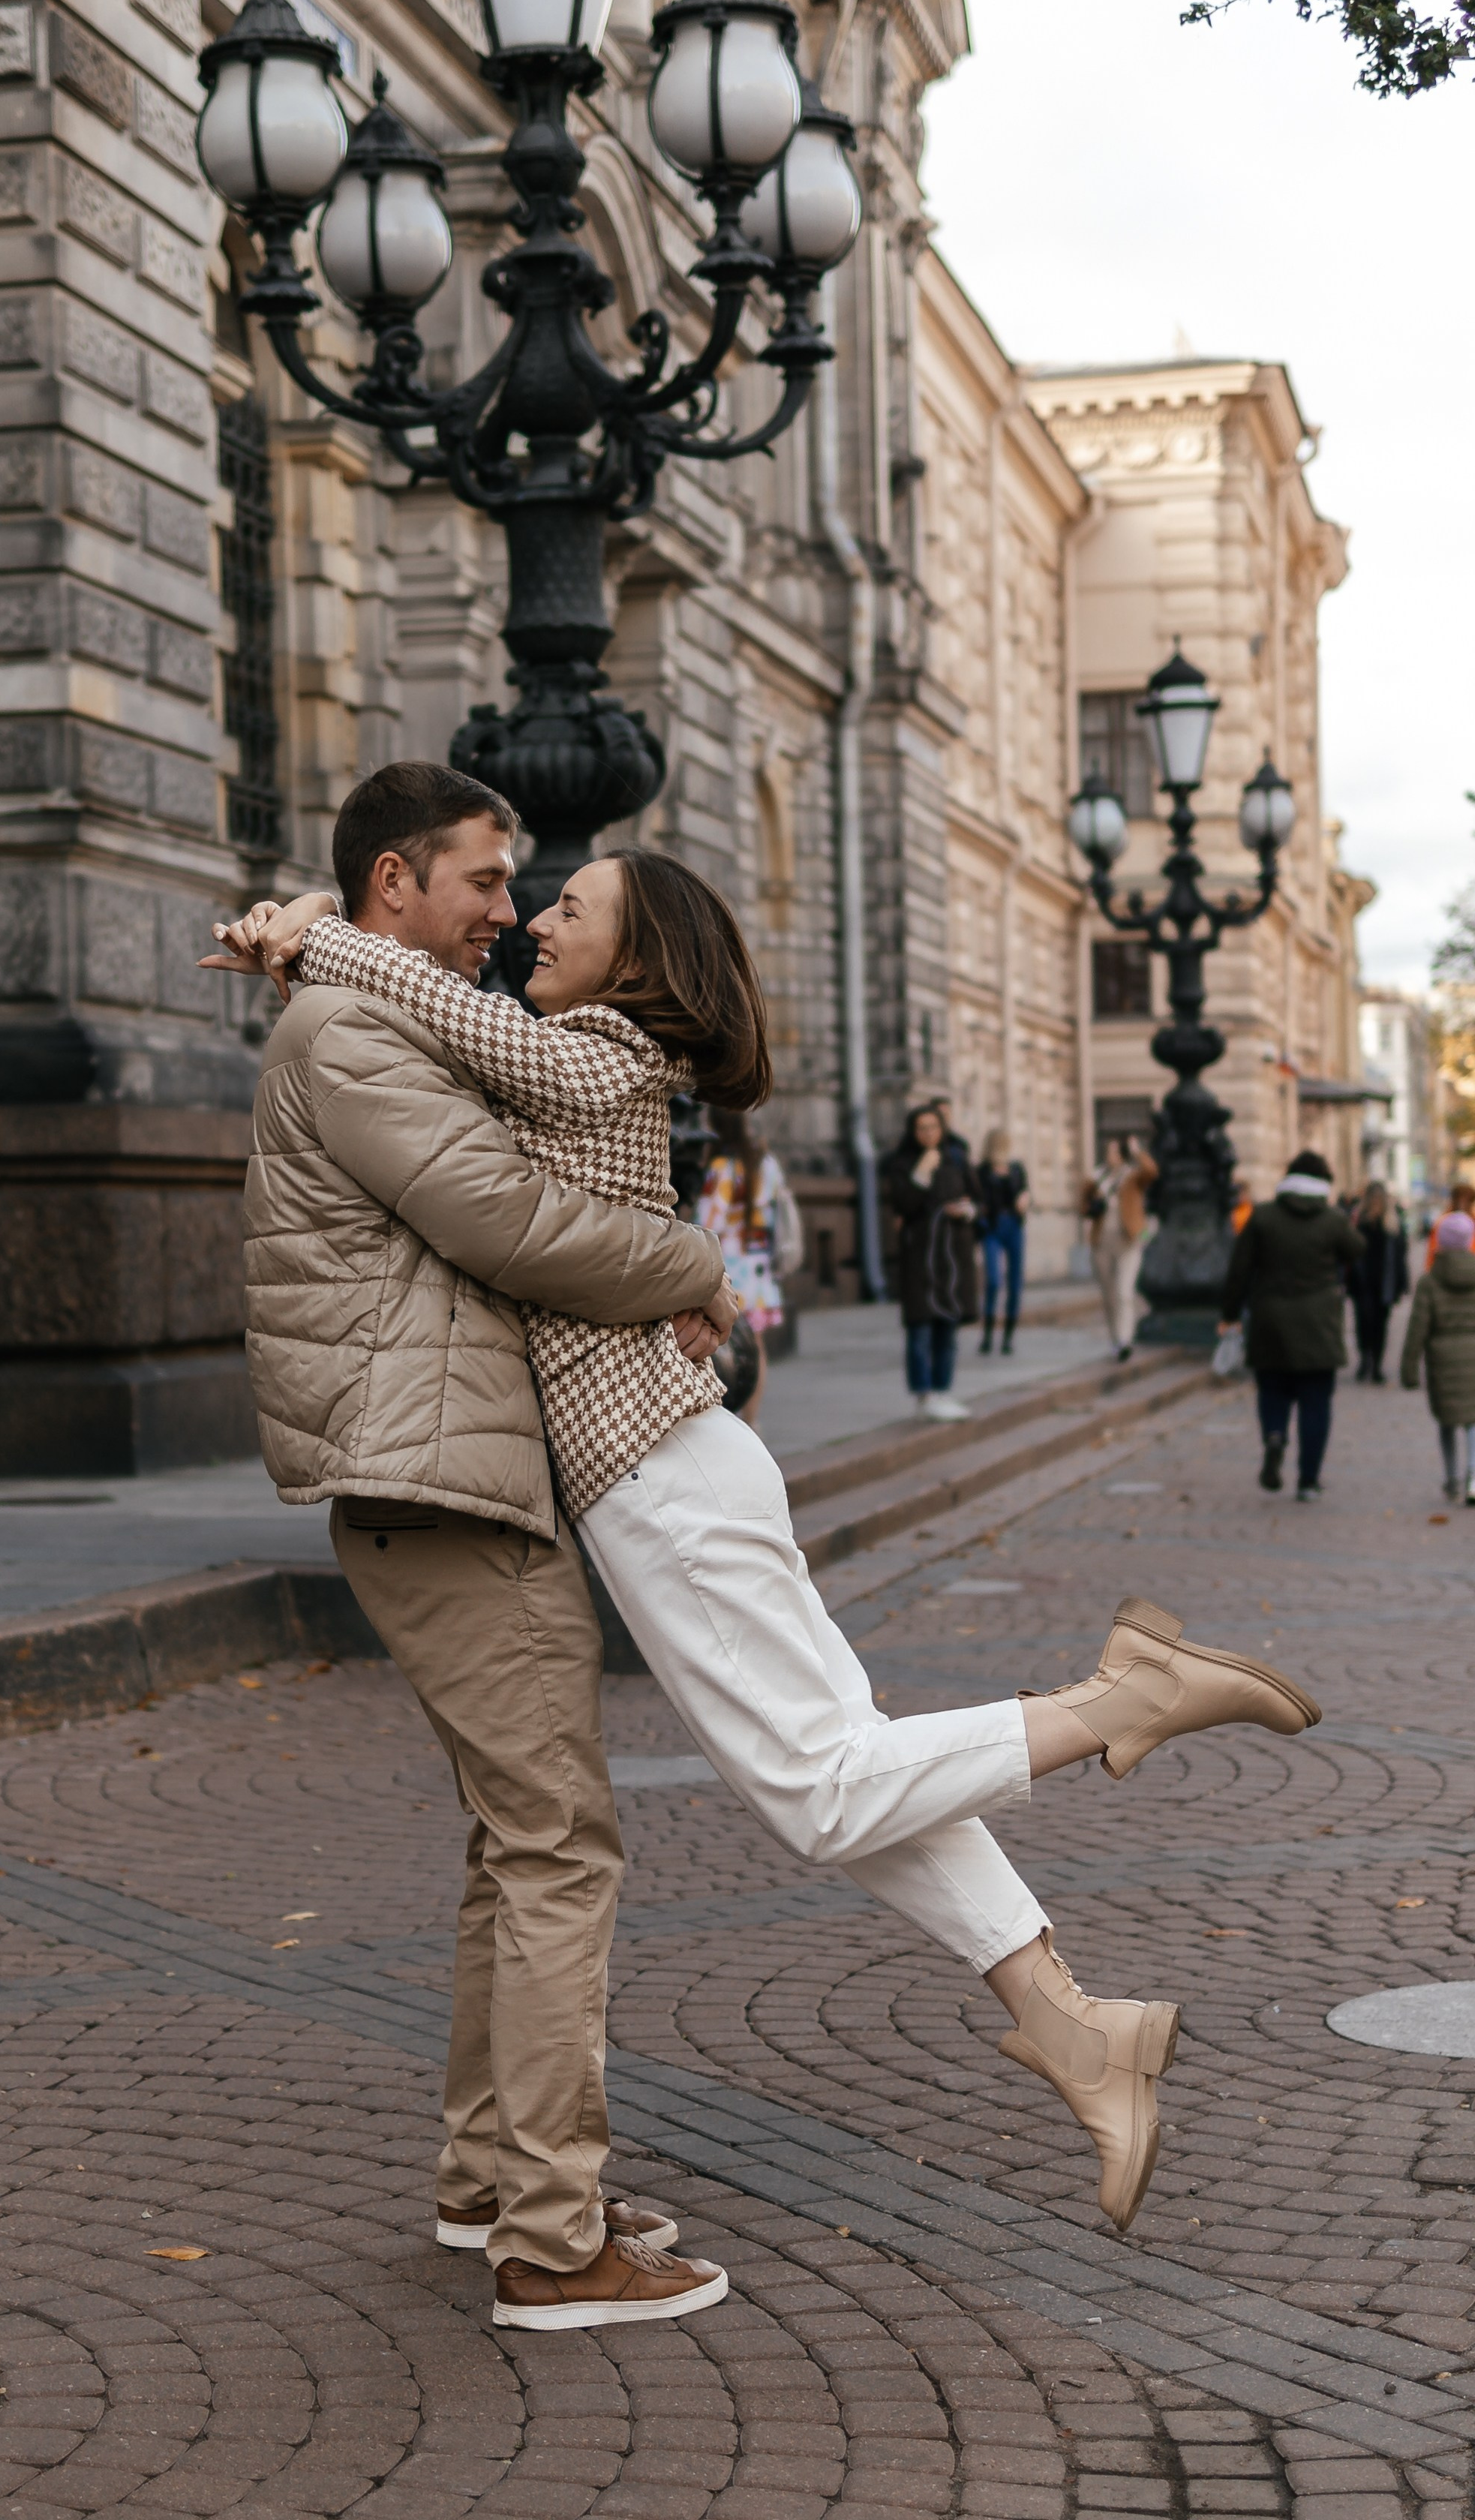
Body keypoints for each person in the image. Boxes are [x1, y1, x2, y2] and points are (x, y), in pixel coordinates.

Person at [227, 849, 1323, 2237]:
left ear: (635, 962)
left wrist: (315, 929)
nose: (534, 922)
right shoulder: (597, 1058)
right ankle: (1074, 2030)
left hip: (660, 1484)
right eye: (530, 896)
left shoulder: (595, 1044)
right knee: (859, 1774)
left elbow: (469, 1056)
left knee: (824, 1791)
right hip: (680, 1470)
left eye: (570, 907)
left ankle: (1119, 1699)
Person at [203, 764, 738, 2333]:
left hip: (446, 1460)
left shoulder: (375, 1011)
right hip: (434, 1474)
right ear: (392, 886)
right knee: (561, 1847)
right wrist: (692, 1263)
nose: (506, 914)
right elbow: (507, 1219)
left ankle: (487, 2181)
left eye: (518, 888)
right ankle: (554, 2246)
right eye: (484, 882)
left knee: (517, 1846)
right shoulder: (355, 1029)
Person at [1219, 1148, 1363, 1503]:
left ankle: (1274, 1435)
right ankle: (1308, 1481)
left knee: (1272, 1390)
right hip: (1319, 1326)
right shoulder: (1332, 1220)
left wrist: (1230, 1314)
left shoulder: (1263, 1216)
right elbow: (1358, 1249)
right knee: (1316, 1402)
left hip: (1270, 1321)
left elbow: (1239, 1270)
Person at [882, 1104, 981, 1420]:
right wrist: (921, 1173)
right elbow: (903, 1204)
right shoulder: (904, 1164)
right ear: (913, 1132)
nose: (928, 1134)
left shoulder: (957, 1159)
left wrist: (966, 1211)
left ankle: (943, 1390)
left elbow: (978, 1199)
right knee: (921, 1327)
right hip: (920, 1259)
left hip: (952, 1260)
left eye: (933, 1127)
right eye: (922, 1128)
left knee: (948, 1328)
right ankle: (924, 1394)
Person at [696, 1107, 794, 1425]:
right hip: (759, 1266)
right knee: (756, 1349)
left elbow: (710, 1221)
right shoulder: (766, 1163)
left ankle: (732, 1417)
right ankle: (752, 1420)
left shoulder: (723, 1168)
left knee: (722, 1344)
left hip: (729, 1268)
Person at [1399, 1209, 1475, 1503]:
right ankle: (1473, 1475)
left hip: (1442, 1359)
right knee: (1472, 1419)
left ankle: (1451, 1478)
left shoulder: (1429, 1282)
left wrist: (1409, 1368)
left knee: (1446, 1420)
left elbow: (1418, 1327)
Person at [1084, 1135, 1158, 1362]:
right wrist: (1092, 1205)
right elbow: (1082, 1205)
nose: (1110, 1156)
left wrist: (1138, 1152)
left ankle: (1126, 1340)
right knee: (1109, 1296)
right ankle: (1116, 1340)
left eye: (1115, 1152)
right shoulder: (1096, 1178)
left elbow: (1152, 1172)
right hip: (1102, 1242)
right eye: (1108, 1152)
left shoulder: (1132, 1177)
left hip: (1129, 1241)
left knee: (1124, 1292)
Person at [1347, 1179, 1410, 1382]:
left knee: (1380, 1325)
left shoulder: (1392, 1222)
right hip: (1362, 1282)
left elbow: (1400, 1255)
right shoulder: (1358, 1220)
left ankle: (1377, 1365)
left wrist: (1402, 1282)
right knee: (1363, 1323)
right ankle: (1365, 1360)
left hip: (1384, 1282)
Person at [975, 1129, 1030, 1356]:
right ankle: (988, 1335)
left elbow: (1026, 1192)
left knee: (1015, 1282)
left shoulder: (1017, 1169)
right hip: (992, 1228)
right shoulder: (981, 1171)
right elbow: (977, 1198)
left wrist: (1025, 1199)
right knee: (994, 1280)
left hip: (1014, 1227)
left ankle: (1008, 1338)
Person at [1425, 1182, 1475, 1270]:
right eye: (1460, 1199)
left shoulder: (1442, 1222)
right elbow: (1433, 1253)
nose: (1462, 1204)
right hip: (1446, 1271)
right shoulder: (1442, 1223)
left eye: (1466, 1200)